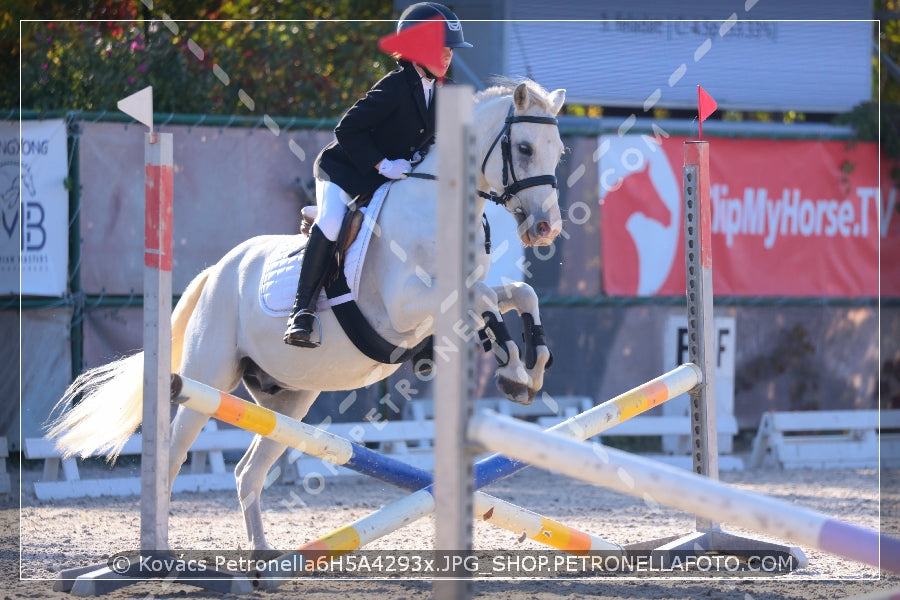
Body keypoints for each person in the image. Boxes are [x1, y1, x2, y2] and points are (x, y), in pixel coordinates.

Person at [284, 2, 473, 347]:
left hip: (392, 178)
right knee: (329, 222)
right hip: (346, 171)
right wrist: (382, 164)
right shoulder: (397, 85)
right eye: (441, 49)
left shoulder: (446, 89)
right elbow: (347, 130)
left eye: (450, 51)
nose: (448, 57)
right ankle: (302, 311)